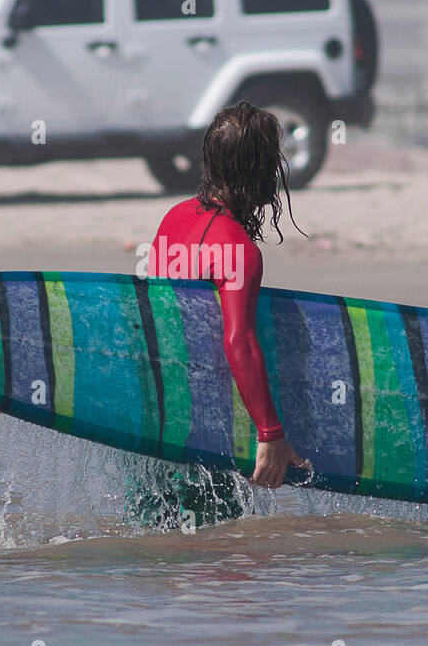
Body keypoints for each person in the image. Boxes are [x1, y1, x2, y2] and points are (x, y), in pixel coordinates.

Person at [130, 102, 308, 528]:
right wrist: (270, 434)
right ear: (259, 174)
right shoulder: (240, 251)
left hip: (158, 423)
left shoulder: (173, 219)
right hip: (206, 436)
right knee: (222, 556)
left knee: (157, 541)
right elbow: (238, 341)